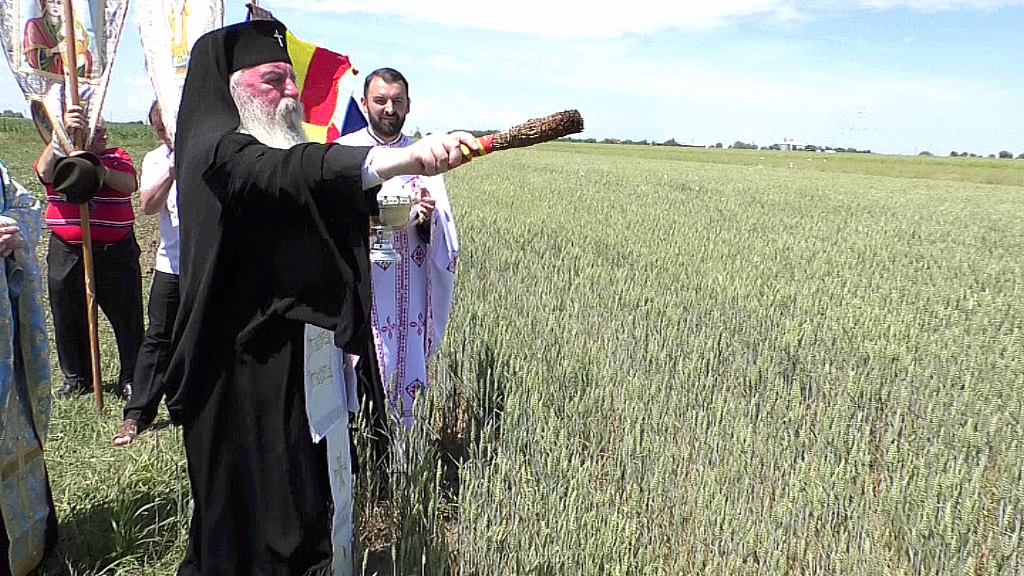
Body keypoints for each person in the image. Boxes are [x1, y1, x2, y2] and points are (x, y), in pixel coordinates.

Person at [163, 19, 477, 575]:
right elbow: (291, 172)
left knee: (300, 492)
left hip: (297, 357)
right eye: (272, 81)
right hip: (235, 366)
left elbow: (336, 211)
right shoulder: (218, 151)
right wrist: (402, 162)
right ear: (231, 89)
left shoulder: (279, 148)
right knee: (243, 509)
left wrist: (405, 211)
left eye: (291, 79)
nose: (290, 92)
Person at [336, 68, 460, 430]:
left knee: (406, 380)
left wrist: (426, 219)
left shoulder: (424, 156)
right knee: (364, 377)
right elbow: (336, 222)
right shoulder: (345, 152)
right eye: (380, 100)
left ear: (408, 106)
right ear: (364, 104)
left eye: (397, 101)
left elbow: (446, 234)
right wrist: (398, 217)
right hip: (365, 292)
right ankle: (362, 452)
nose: (389, 108)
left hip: (411, 297)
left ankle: (402, 455)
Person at [35, 106, 144, 400]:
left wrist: (98, 169)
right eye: (97, 131)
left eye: (104, 130)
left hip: (115, 251)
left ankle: (131, 378)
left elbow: (129, 184)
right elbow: (43, 172)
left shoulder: (117, 157)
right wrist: (61, 140)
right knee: (68, 314)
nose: (104, 135)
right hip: (67, 250)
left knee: (127, 317)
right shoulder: (59, 158)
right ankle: (77, 378)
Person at [0, 159, 58, 576]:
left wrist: (12, 228)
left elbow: (28, 207)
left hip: (7, 324)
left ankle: (32, 545)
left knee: (15, 423)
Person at [113, 101, 178, 446]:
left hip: (209, 264)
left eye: (169, 127)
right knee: (157, 338)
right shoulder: (155, 160)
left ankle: (189, 406)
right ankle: (136, 414)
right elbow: (148, 206)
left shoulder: (212, 153)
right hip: (173, 264)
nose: (165, 135)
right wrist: (173, 170)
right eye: (159, 130)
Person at [22, 0, 93, 77]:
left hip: (69, 71)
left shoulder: (71, 25)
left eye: (59, 3)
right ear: (44, 3)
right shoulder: (35, 25)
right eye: (51, 2)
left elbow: (84, 49)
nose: (55, 6)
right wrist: (53, 50)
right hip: (47, 73)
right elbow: (32, 54)